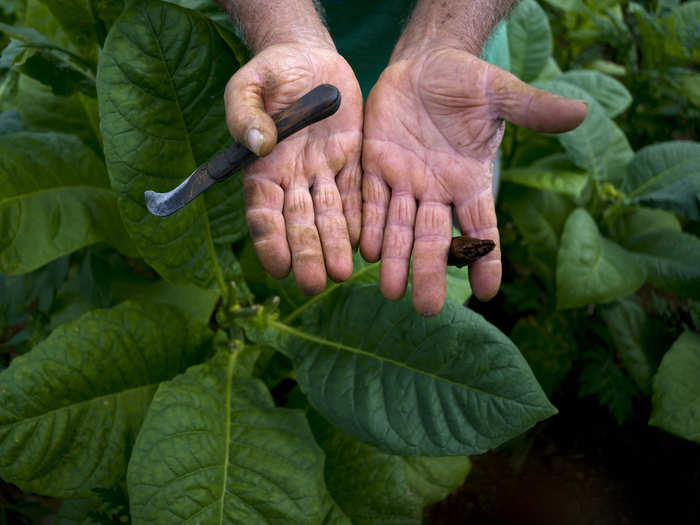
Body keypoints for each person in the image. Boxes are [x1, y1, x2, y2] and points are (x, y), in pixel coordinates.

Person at [216, 0, 587, 316]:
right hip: (280, 92)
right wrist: (281, 29)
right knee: (282, 249)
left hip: (448, 119)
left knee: (420, 282)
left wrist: (445, 39)